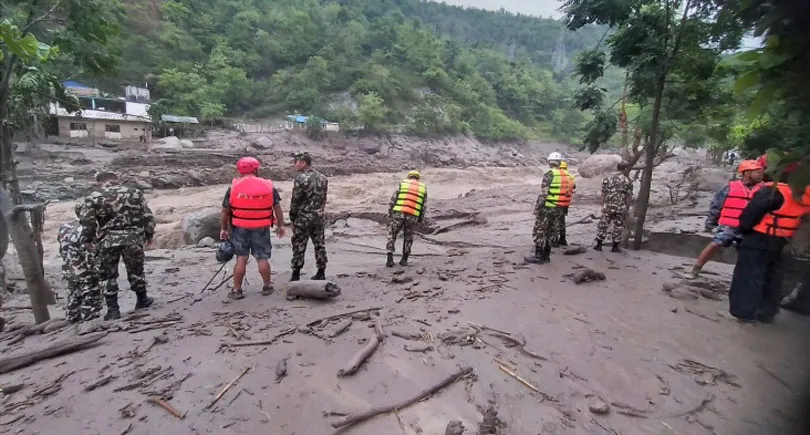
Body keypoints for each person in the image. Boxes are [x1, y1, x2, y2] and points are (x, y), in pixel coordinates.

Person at [727, 161, 810, 323]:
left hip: (758, 238)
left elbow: (750, 215)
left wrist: (742, 230)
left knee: (748, 276)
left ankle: (743, 314)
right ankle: (767, 312)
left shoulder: (774, 191)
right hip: (783, 241)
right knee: (773, 277)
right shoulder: (804, 195)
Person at [80, 172, 156, 320]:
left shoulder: (94, 197)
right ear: (117, 180)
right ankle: (142, 300)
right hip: (132, 238)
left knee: (107, 275)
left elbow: (87, 221)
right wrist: (149, 235)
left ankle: (113, 310)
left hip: (107, 240)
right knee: (136, 270)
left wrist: (88, 239)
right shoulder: (134, 193)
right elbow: (147, 216)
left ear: (99, 182)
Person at [219, 156, 286, 300]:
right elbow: (277, 207)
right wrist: (281, 225)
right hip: (261, 227)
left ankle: (237, 290)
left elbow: (225, 211)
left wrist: (223, 229)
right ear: (256, 169)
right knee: (262, 258)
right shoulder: (269, 186)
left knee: (241, 259)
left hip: (239, 228)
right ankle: (267, 286)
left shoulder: (233, 188)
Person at [689, 160, 764, 279]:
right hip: (729, 225)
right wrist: (711, 223)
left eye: (761, 172)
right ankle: (696, 269)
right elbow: (717, 205)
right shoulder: (730, 187)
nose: (761, 175)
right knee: (715, 244)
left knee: (747, 253)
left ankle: (741, 279)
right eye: (758, 172)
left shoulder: (763, 190)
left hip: (751, 228)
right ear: (747, 173)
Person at [58, 203, 103, 323]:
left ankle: (71, 319)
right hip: (84, 269)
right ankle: (89, 322)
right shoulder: (87, 230)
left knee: (74, 294)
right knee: (91, 295)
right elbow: (89, 254)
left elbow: (62, 248)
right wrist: (98, 270)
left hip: (68, 267)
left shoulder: (65, 227)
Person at [289, 151, 329, 281]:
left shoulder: (300, 179)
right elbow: (323, 199)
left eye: (296, 162)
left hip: (303, 218)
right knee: (319, 244)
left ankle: (295, 275)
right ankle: (321, 272)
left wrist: (292, 219)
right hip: (318, 216)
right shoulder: (323, 178)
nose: (294, 164)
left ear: (303, 163)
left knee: (299, 245)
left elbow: (295, 201)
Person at [525, 152, 569, 264]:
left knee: (540, 231)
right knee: (551, 232)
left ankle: (539, 256)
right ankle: (546, 256)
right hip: (559, 208)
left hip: (547, 208)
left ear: (550, 162)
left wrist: (537, 207)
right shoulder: (566, 175)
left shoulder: (549, 174)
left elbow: (544, 194)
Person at [386, 170, 428, 267]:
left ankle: (389, 259)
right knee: (408, 237)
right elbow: (424, 206)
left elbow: (393, 199)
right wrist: (420, 219)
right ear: (418, 178)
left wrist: (390, 212)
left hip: (399, 212)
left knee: (392, 234)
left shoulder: (402, 184)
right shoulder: (423, 188)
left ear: (409, 177)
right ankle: (404, 260)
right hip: (412, 215)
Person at [594, 162, 633, 252]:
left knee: (603, 225)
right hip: (620, 207)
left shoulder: (608, 179)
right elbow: (628, 197)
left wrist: (602, 205)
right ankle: (615, 247)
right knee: (618, 226)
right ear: (625, 169)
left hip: (608, 206)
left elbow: (603, 193)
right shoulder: (628, 181)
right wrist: (627, 207)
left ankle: (599, 245)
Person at [552, 160, 576, 247]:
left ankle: (554, 240)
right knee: (562, 221)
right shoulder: (571, 177)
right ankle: (562, 239)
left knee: (554, 221)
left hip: (556, 202)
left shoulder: (555, 175)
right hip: (565, 203)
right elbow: (573, 187)